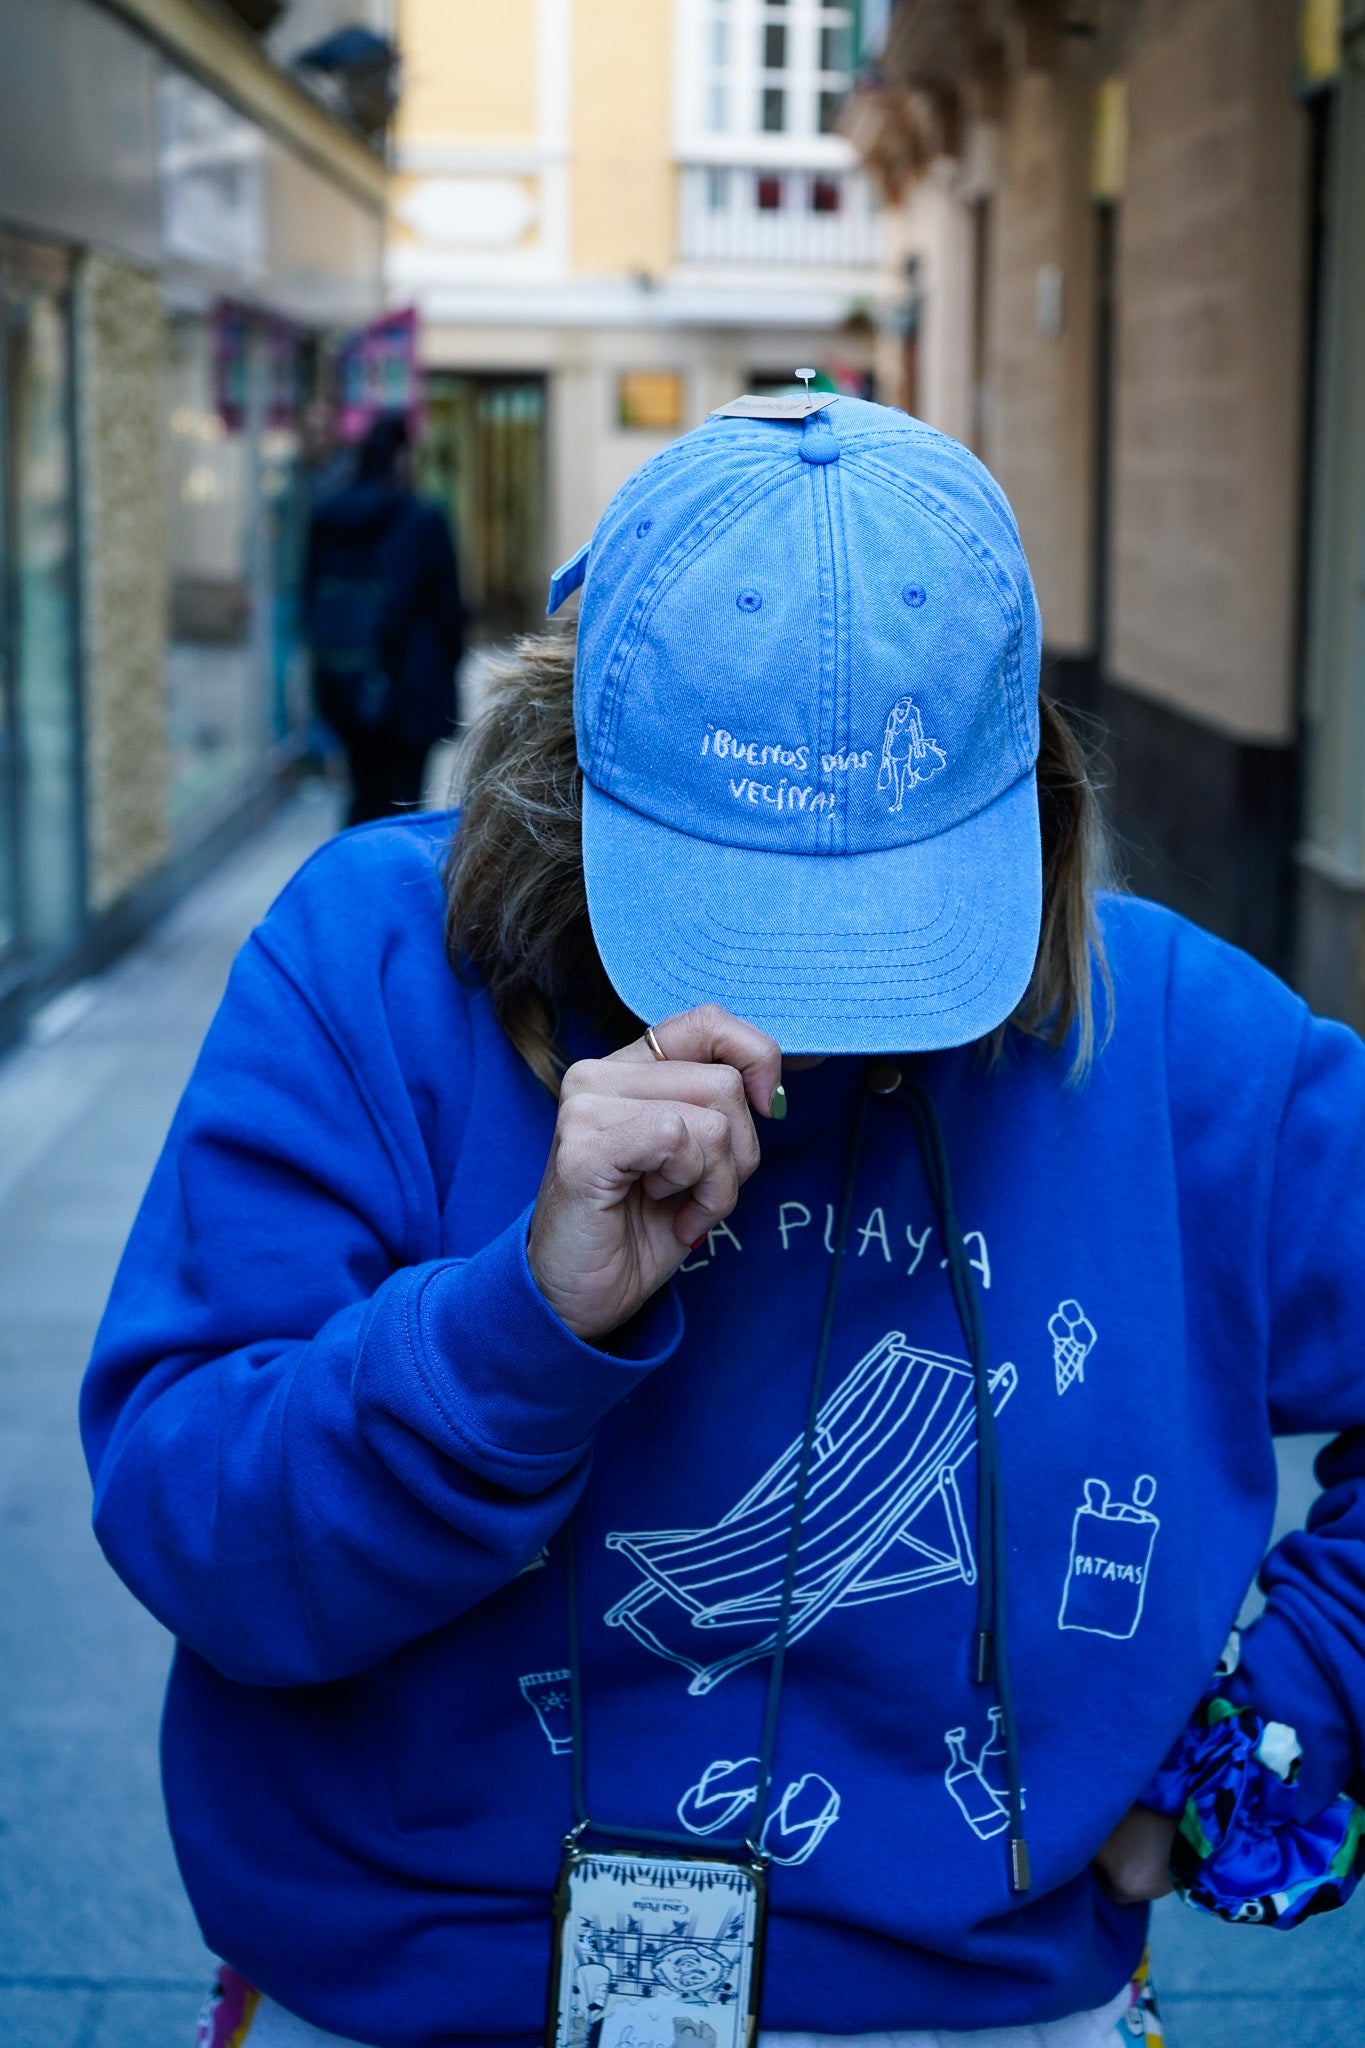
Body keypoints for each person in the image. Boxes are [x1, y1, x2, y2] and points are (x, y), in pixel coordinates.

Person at [82, 396, 1365, 2048]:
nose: (806, 1016)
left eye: (889, 920)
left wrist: (1245, 1751)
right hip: (416, 1988)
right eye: (739, 904)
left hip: (962, 1999)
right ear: (571, 765)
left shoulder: (1187, 1046)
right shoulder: (373, 965)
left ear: (1024, 799)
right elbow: (197, 1536)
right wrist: (519, 1325)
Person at [304, 410, 463, 826]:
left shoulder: (327, 517)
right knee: (405, 811)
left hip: (345, 685)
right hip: (411, 690)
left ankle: (354, 880)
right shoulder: (423, 520)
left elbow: (309, 599)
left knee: (362, 794)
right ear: (401, 458)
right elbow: (450, 614)